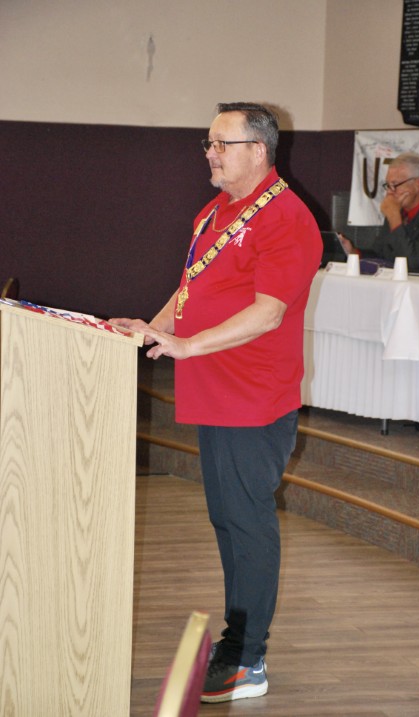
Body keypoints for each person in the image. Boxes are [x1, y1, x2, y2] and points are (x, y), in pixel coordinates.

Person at [112, 102, 323, 702]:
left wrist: (187, 344)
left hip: (253, 398)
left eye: (221, 144)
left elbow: (269, 312)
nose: (210, 153)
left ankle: (247, 658)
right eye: (208, 143)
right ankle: (239, 641)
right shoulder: (214, 211)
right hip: (213, 390)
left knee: (247, 522)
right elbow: (191, 290)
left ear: (258, 150)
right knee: (227, 520)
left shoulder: (287, 217)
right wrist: (151, 329)